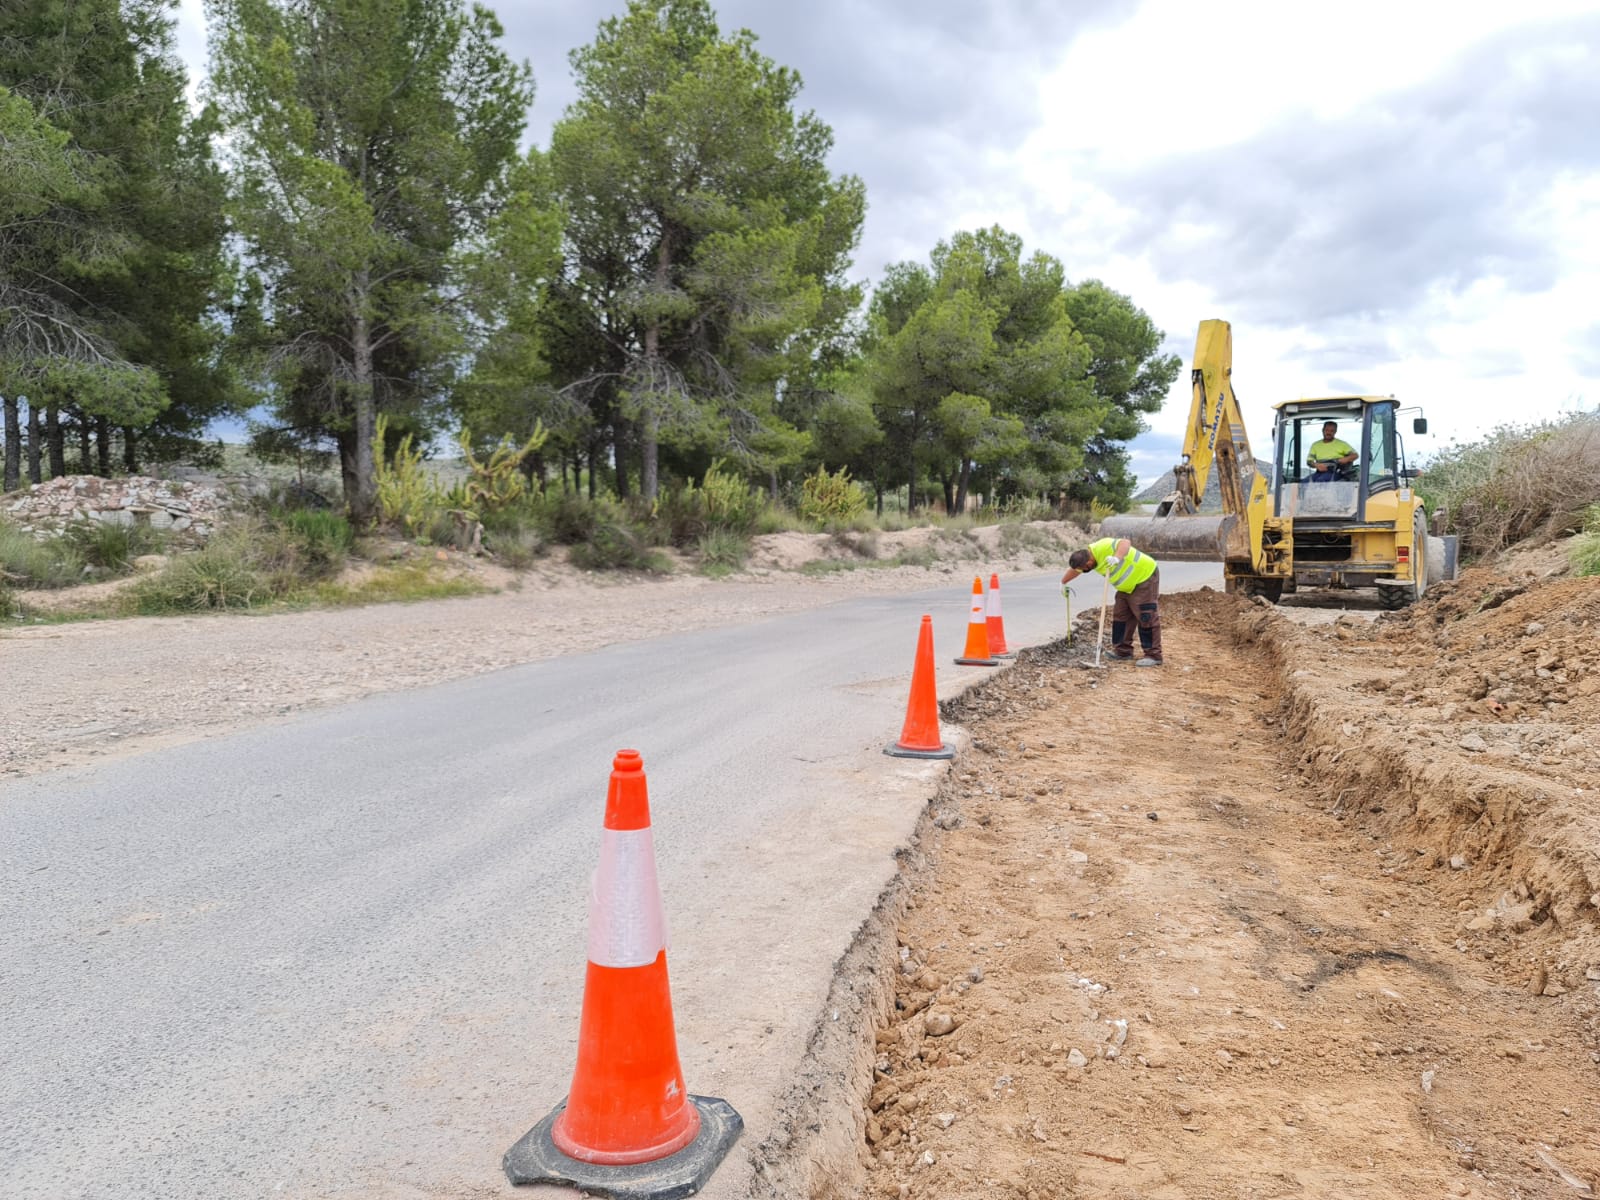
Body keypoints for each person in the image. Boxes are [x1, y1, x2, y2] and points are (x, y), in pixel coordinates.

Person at [1061, 536, 1162, 666]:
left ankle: (1153, 655)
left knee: (1146, 616)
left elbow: (1125, 542)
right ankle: (1122, 651)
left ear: (1089, 560)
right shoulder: (1086, 561)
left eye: (1086, 568)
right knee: (1121, 616)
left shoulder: (1102, 546)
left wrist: (1117, 558)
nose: (1085, 570)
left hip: (1144, 577)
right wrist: (1063, 582)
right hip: (1125, 587)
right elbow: (1076, 570)